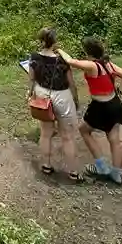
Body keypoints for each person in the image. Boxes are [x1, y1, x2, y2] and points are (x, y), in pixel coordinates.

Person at [57, 38, 122, 184]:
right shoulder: (108, 64)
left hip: (100, 106)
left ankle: (102, 167)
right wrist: (119, 92)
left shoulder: (93, 66)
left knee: (84, 130)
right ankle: (116, 174)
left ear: (88, 52)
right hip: (115, 104)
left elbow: (70, 61)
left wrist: (59, 50)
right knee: (114, 140)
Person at [27, 27, 82, 182]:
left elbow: (32, 79)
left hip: (42, 94)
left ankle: (46, 165)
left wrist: (31, 94)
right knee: (67, 136)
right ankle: (73, 171)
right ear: (55, 41)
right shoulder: (62, 59)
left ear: (41, 41)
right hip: (63, 96)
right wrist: (76, 100)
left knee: (46, 133)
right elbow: (72, 83)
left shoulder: (34, 57)